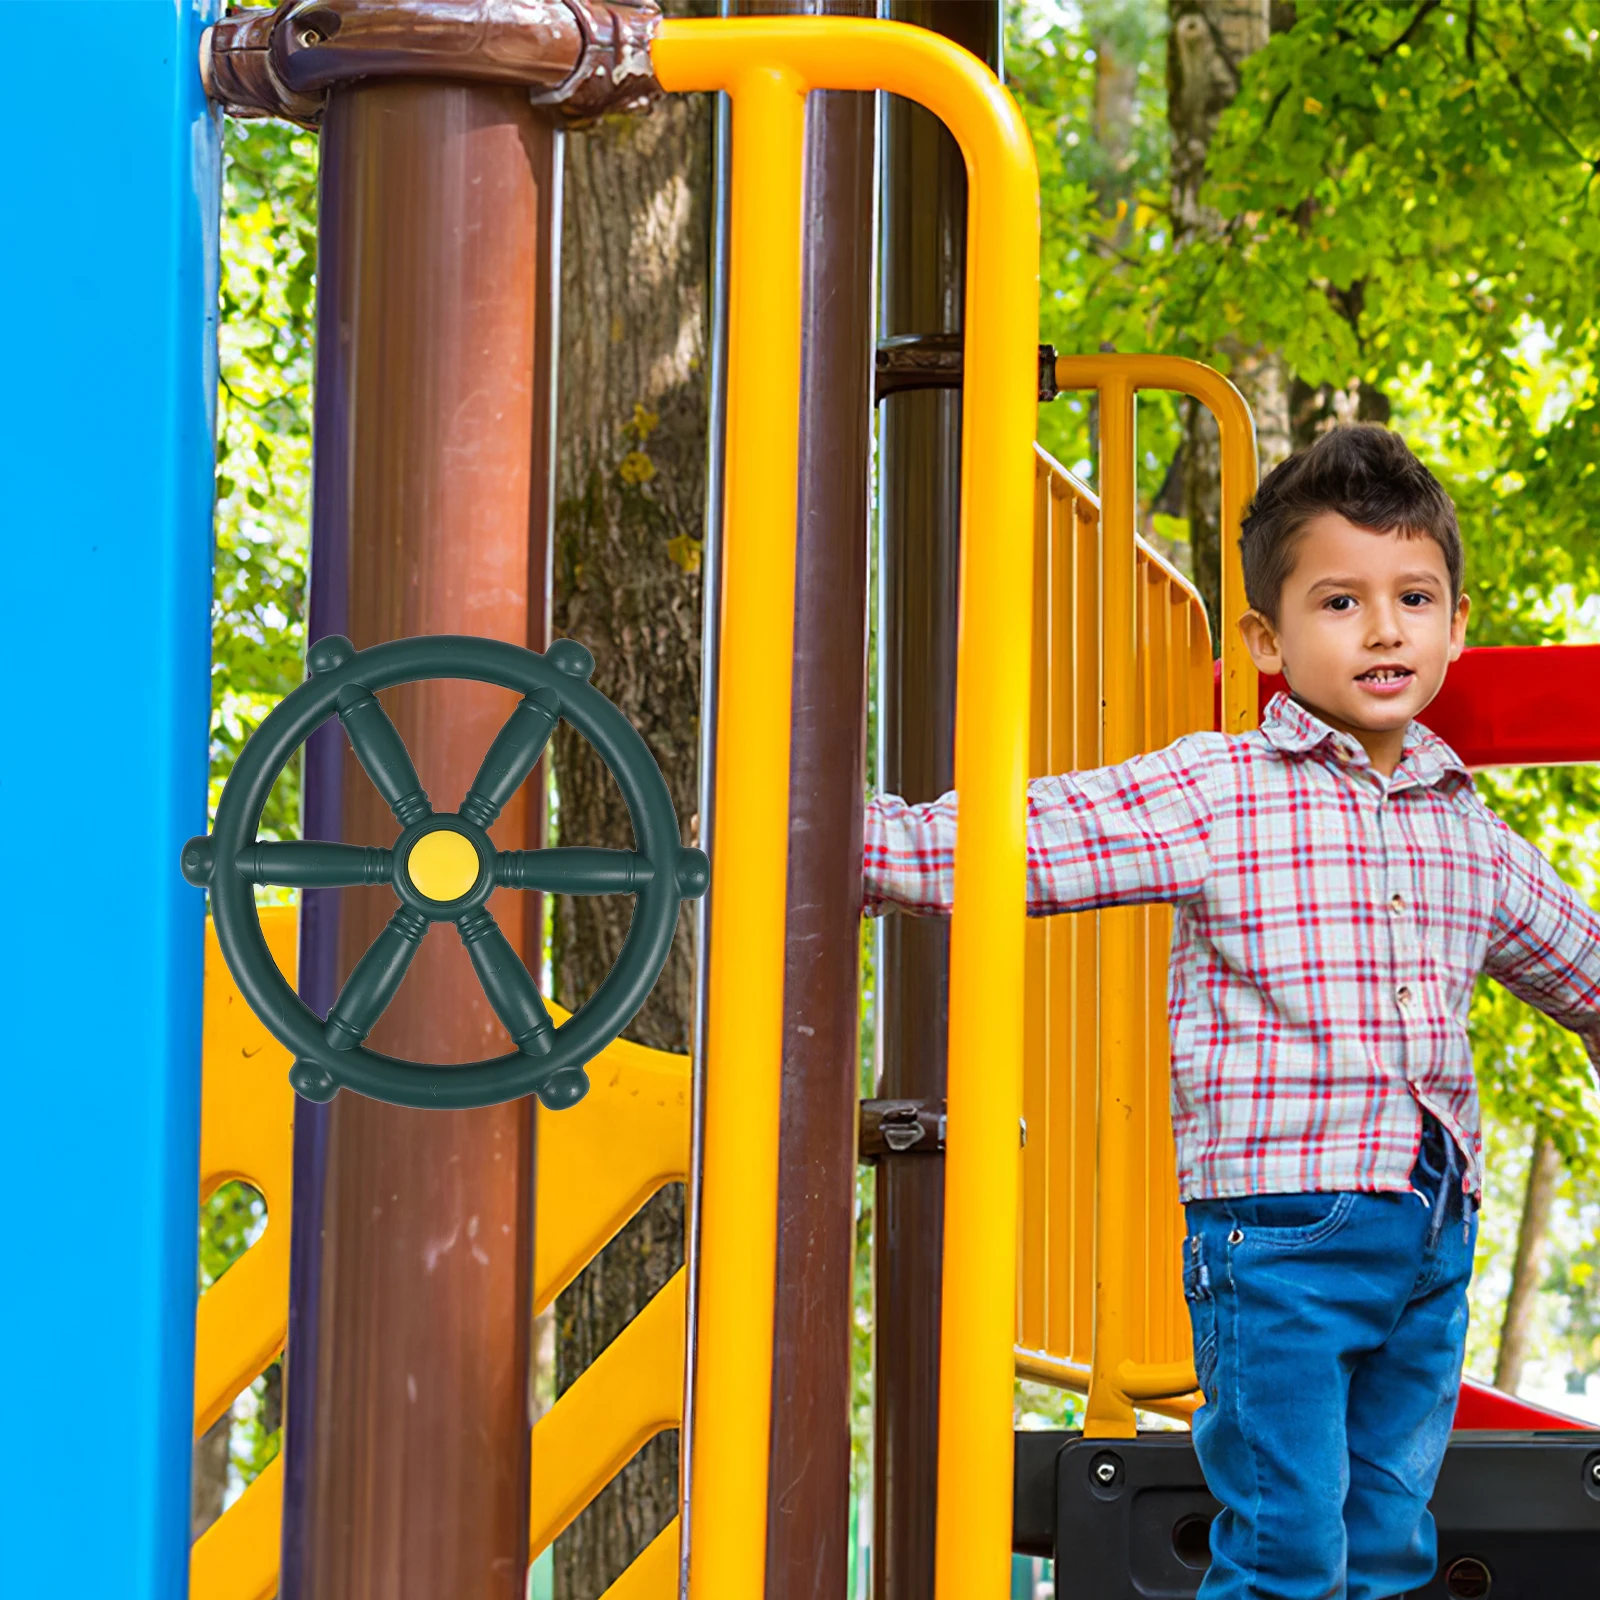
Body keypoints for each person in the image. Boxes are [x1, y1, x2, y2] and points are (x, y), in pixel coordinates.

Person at [861, 425, 1600, 1600]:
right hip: (1279, 1245)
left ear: (1456, 624)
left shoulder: (1469, 829)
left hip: (1429, 1236)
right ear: (1268, 637)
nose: (1382, 629)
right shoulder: (1223, 788)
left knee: (1391, 1542)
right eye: (1338, 601)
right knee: (1287, 1541)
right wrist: (850, 843)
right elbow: (1040, 836)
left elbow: (1583, 964)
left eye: (1413, 597)